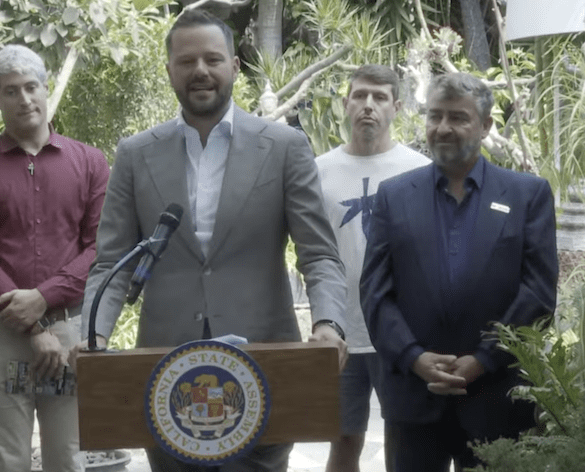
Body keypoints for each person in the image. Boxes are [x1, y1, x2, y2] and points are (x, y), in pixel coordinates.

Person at [74, 10, 348, 472]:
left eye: (212, 59)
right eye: (186, 61)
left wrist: (329, 324)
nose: (200, 70)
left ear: (235, 68)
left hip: (264, 364)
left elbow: (318, 253)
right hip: (166, 375)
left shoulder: (284, 147)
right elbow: (111, 263)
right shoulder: (135, 154)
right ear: (169, 71)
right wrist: (92, 334)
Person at [360, 72, 558, 471]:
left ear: (485, 126)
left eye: (457, 118)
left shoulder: (527, 195)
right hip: (414, 398)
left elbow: (537, 293)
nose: (442, 128)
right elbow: (375, 293)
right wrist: (415, 357)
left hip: (497, 397)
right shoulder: (393, 196)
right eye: (435, 117)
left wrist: (483, 359)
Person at [0, 45, 110, 472]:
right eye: (10, 91)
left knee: (68, 458)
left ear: (45, 88)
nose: (23, 99)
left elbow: (98, 249)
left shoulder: (90, 162)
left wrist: (44, 301)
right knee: (7, 460)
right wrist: (34, 323)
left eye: (31, 86)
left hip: (68, 335)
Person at [314, 65, 430, 472]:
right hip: (339, 331)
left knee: (405, 442)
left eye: (380, 98)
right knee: (344, 438)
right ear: (345, 104)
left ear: (397, 107)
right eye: (360, 96)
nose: (368, 105)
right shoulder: (318, 171)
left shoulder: (419, 171)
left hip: (400, 331)